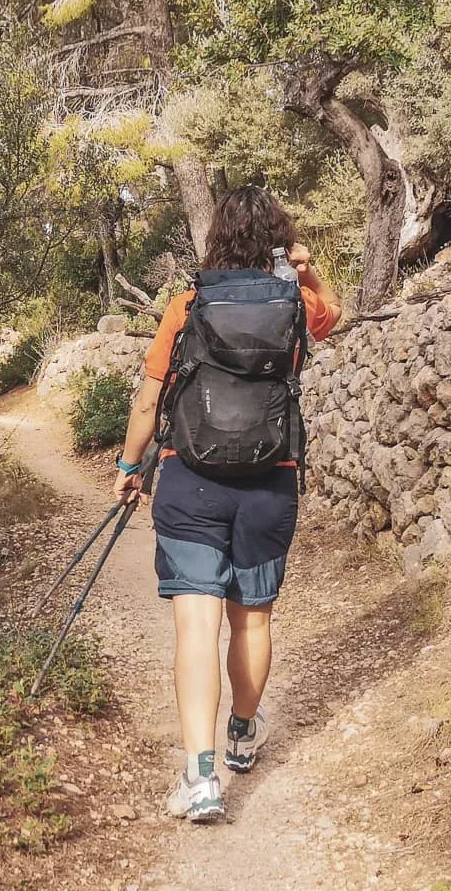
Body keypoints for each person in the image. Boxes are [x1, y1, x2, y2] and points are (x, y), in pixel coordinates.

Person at [110, 186, 344, 822]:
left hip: (190, 481)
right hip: (271, 484)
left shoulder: (186, 306)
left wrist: (132, 468)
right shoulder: (298, 305)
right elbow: (335, 313)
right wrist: (304, 266)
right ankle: (242, 731)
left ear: (216, 238)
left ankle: (201, 777)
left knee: (195, 625)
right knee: (253, 620)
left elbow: (147, 401)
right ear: (276, 238)